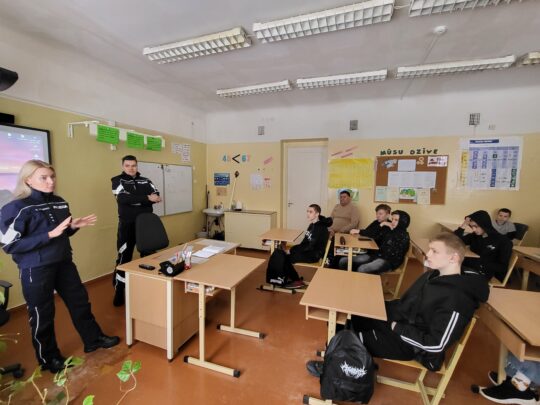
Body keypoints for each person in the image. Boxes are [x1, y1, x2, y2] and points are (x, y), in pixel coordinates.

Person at [307, 233, 489, 377]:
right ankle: (350, 359)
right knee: (346, 313)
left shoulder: (457, 299)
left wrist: (397, 327)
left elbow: (436, 344)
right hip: (399, 321)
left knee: (348, 336)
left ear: (453, 258)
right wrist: (377, 306)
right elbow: (408, 305)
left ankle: (336, 370)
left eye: (435, 251)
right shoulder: (434, 275)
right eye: (429, 249)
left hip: (408, 343)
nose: (428, 254)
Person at [0, 160, 120, 373]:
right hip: (36, 269)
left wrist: (73, 227)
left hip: (64, 263)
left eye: (52, 177)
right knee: (42, 313)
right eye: (43, 178)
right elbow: (9, 245)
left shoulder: (59, 202)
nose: (50, 181)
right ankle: (49, 358)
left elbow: (61, 232)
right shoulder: (15, 208)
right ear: (28, 180)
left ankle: (93, 339)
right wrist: (48, 235)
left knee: (80, 302)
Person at [111, 155, 161, 306]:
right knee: (124, 258)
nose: (131, 168)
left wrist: (136, 199)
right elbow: (123, 199)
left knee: (149, 256)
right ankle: (119, 292)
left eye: (133, 165)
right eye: (127, 165)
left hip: (146, 225)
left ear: (137, 166)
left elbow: (156, 197)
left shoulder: (146, 180)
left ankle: (148, 288)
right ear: (123, 166)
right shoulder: (117, 180)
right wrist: (146, 198)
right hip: (127, 225)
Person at [338, 210, 410, 274]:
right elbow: (373, 234)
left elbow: (393, 255)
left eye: (396, 220)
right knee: (343, 261)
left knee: (362, 269)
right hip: (376, 255)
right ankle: (351, 279)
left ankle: (361, 283)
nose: (393, 222)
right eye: (392, 219)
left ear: (402, 222)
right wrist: (383, 224)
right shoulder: (390, 229)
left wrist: (374, 256)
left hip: (388, 261)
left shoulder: (404, 236)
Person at [454, 210, 513, 282]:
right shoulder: (475, 235)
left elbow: (502, 267)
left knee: (451, 277)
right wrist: (465, 223)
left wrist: (480, 263)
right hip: (468, 266)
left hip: (482, 272)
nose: (473, 229)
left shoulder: (503, 241)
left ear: (484, 224)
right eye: (471, 226)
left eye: (476, 226)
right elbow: (454, 241)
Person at [284, 204, 332, 289]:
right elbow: (304, 243)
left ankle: (296, 280)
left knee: (286, 258)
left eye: (310, 212)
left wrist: (292, 251)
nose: (308, 214)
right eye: (307, 211)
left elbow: (310, 246)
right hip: (309, 251)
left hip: (314, 255)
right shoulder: (312, 225)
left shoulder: (320, 227)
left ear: (317, 214)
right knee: (285, 255)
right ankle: (293, 278)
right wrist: (292, 249)